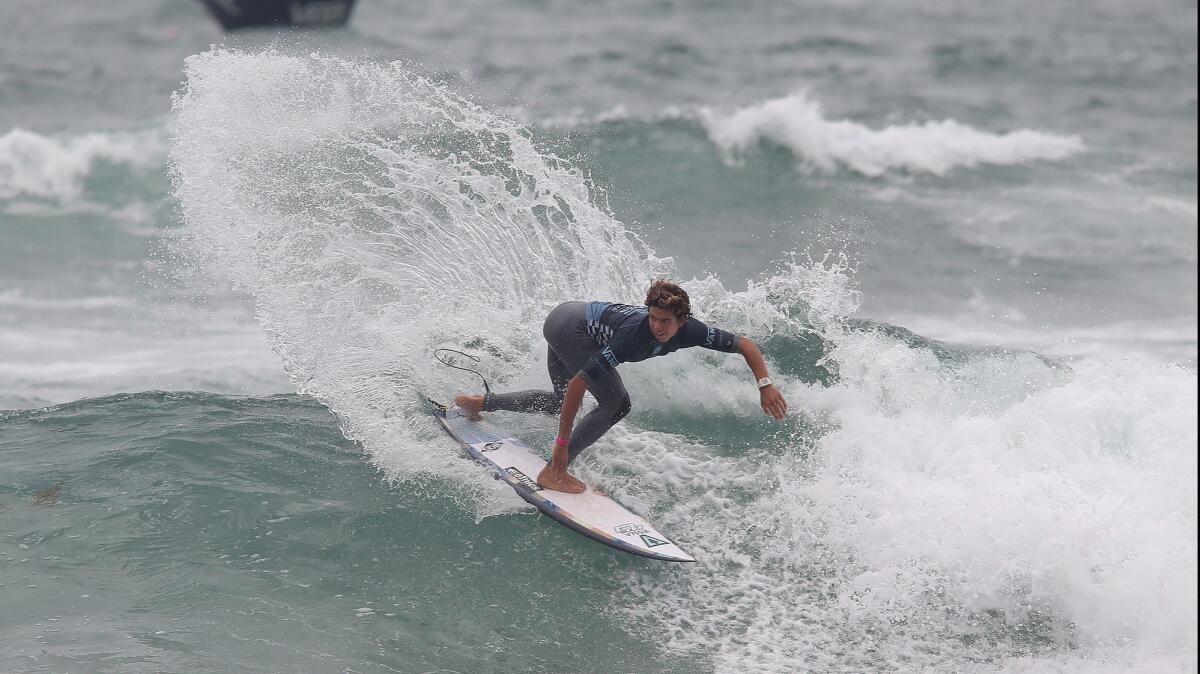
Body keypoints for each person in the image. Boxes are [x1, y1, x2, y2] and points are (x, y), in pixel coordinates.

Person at [455, 280, 788, 493]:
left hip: (565, 317)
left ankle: (480, 403)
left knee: (558, 402)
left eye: (665, 322)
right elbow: (579, 385)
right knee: (617, 403)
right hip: (571, 327)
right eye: (653, 317)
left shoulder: (695, 331)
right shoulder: (632, 336)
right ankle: (555, 471)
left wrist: (764, 385)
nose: (657, 326)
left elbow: (745, 344)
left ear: (682, 321)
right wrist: (560, 442)